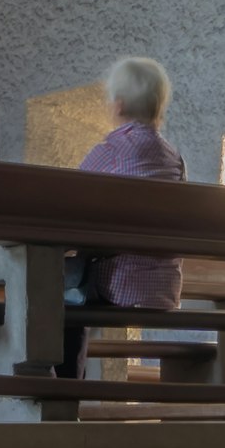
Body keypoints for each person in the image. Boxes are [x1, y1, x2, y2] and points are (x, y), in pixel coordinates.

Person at [74, 54, 185, 313]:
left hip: (119, 285)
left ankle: (61, 356)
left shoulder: (110, 152)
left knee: (56, 292)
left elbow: (72, 201)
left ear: (119, 106)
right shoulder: (175, 161)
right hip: (164, 288)